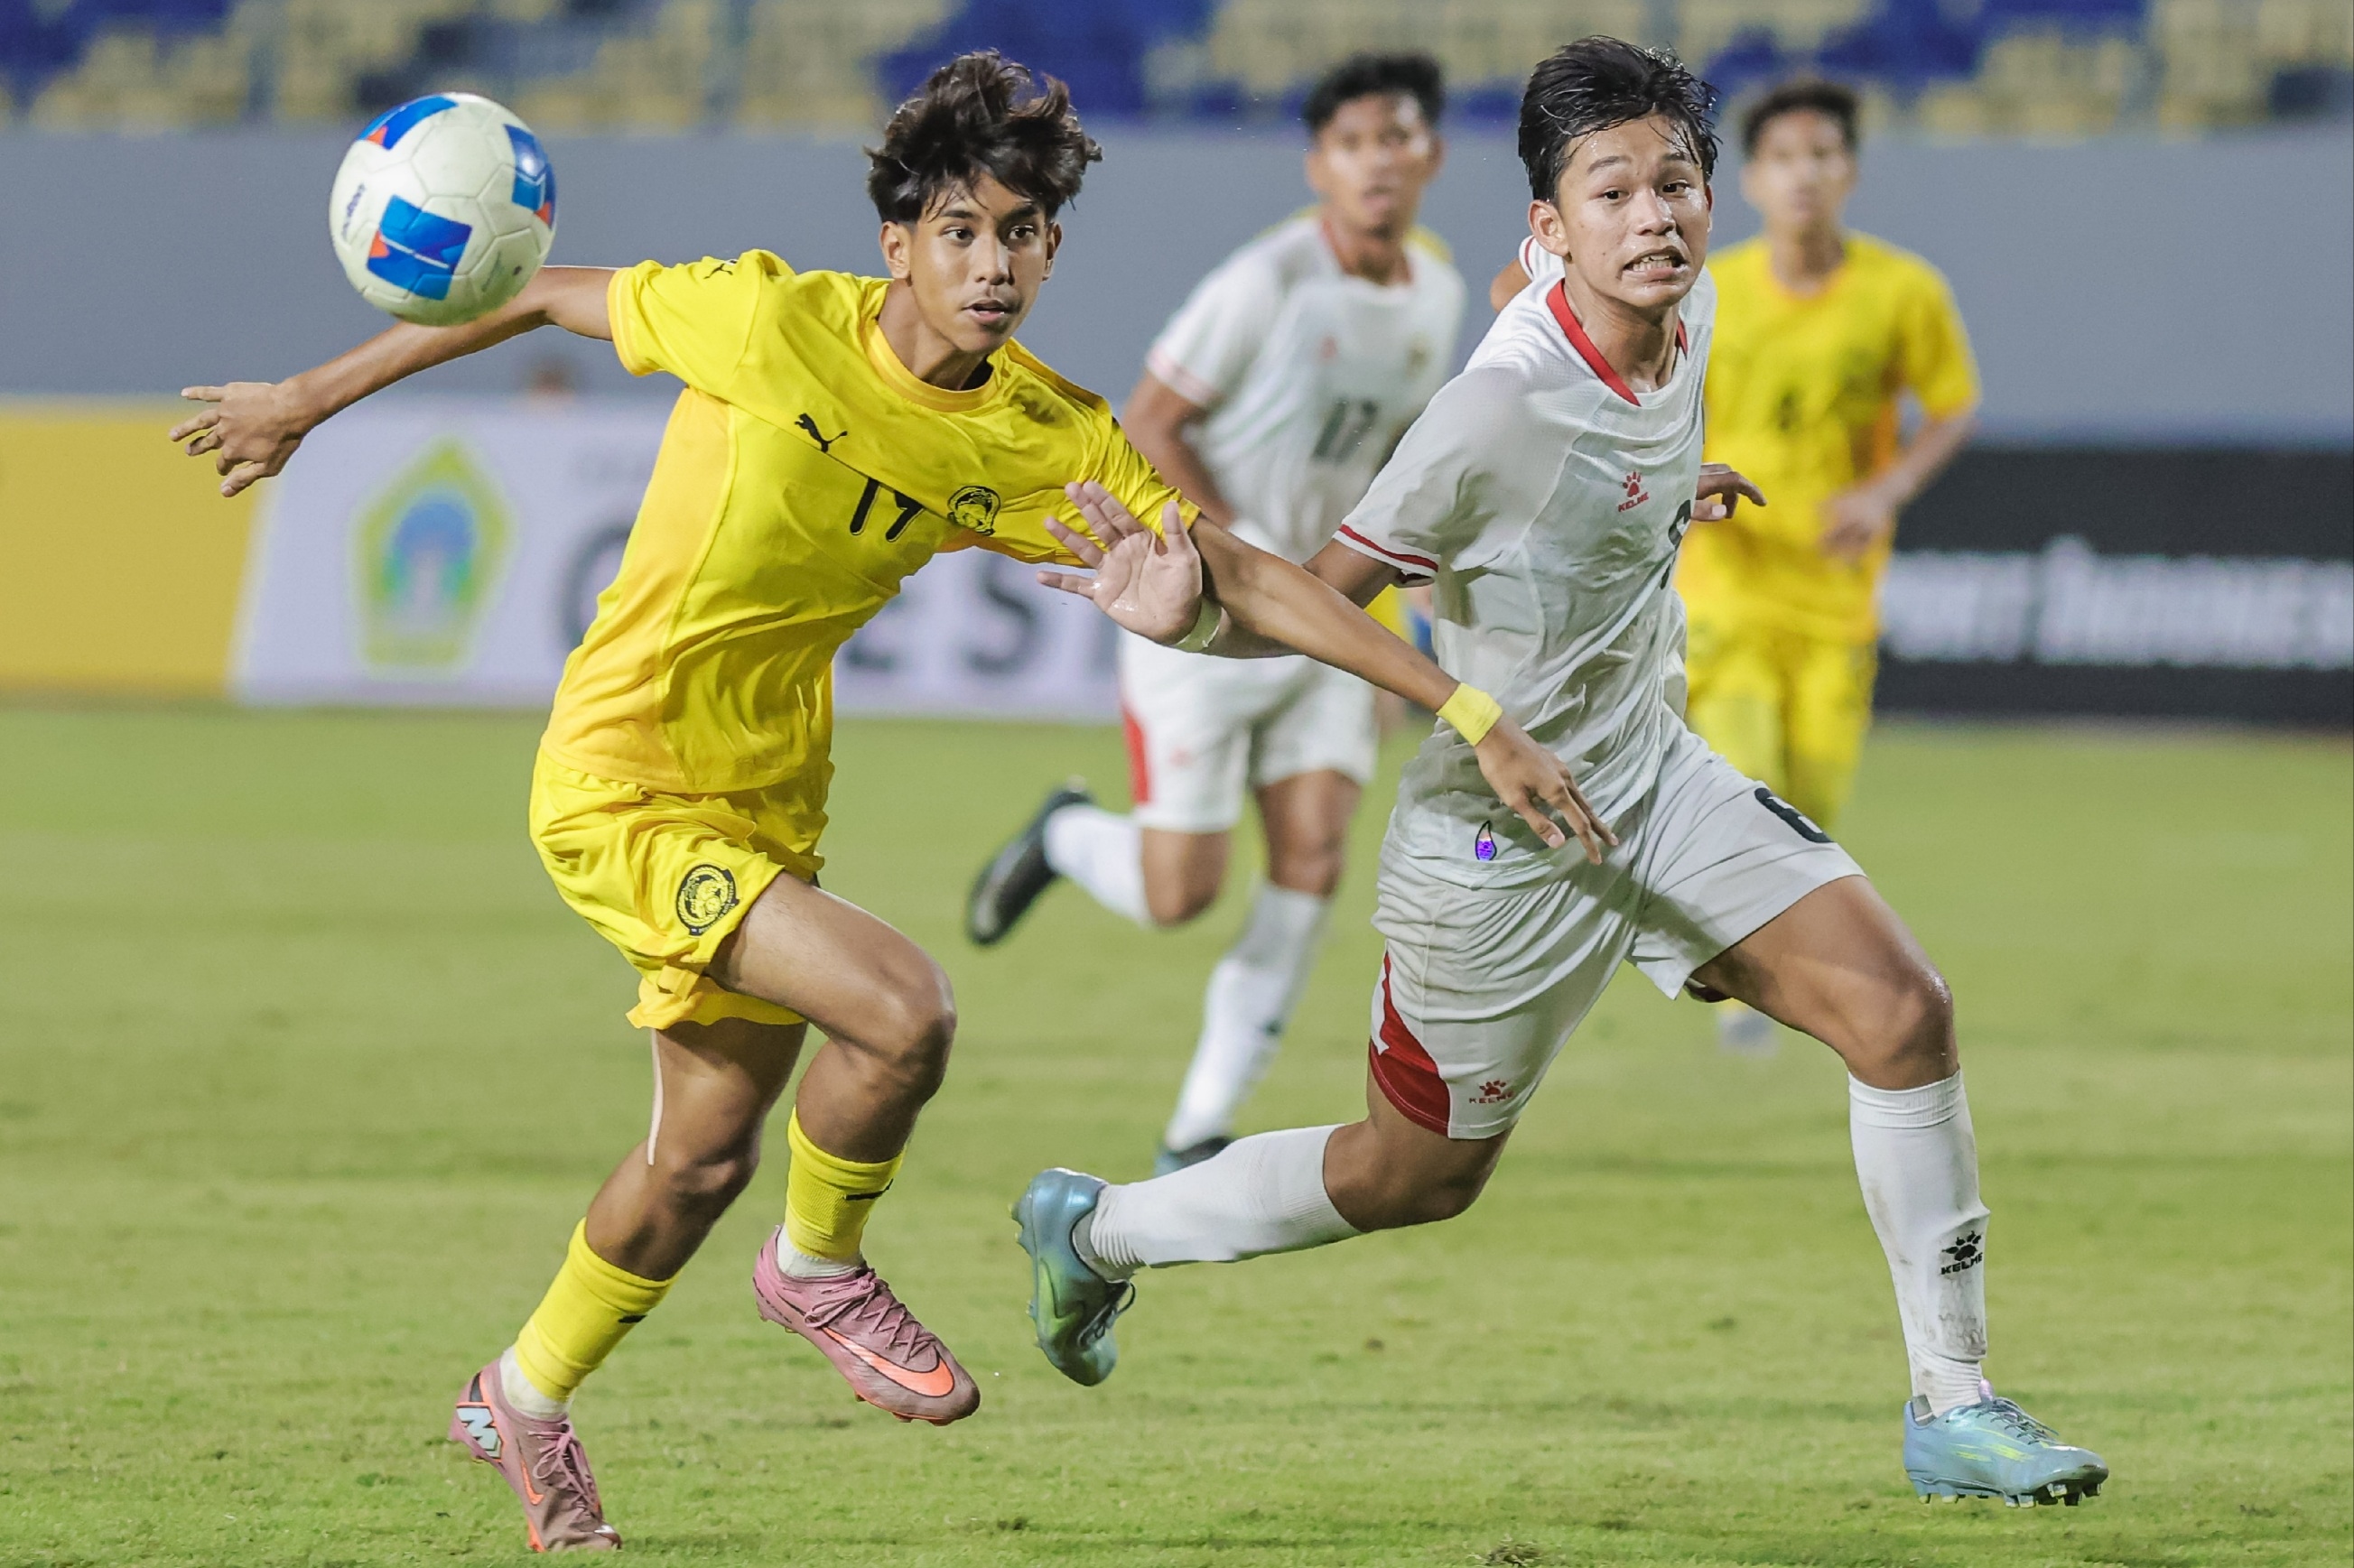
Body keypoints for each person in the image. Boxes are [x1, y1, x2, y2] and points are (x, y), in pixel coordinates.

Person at [172, 51, 1592, 1553]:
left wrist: (1436, 696)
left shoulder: (1037, 436)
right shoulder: (762, 317)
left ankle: (518, 1397)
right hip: (618, 779)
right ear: (898, 239)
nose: (994, 265)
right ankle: (819, 1264)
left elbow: (1241, 577)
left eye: (1024, 234)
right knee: (903, 1010)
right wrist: (305, 401)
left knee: (698, 1155)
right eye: (963, 231)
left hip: (769, 795)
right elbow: (530, 293)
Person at [1010, 39, 2107, 1510]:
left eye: (1675, 183)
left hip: (1650, 781)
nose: (1655, 216)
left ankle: (1954, 1405)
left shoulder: (1688, 309)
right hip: (1495, 850)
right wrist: (1208, 609)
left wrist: (1655, 495)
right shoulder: (1493, 411)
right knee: (1416, 1177)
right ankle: (1098, 1232)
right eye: (1612, 191)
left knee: (1903, 1016)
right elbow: (1316, 593)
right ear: (1549, 227)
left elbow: (1612, 450)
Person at [964, 51, 1467, 1176]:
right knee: (1177, 893)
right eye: (1352, 143)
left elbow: (1394, 453)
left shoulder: (1435, 292)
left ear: (1429, 154)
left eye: (1397, 137)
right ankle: (1063, 834)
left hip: (1328, 621)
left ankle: (1199, 1128)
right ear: (1319, 164)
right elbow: (1151, 418)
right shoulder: (1267, 282)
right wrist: (1248, 550)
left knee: (1314, 854)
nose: (1377, 161)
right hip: (1211, 619)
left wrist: (1408, 573)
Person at [1490, 77, 1980, 1055]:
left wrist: (1884, 492)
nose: (1804, 176)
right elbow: (1556, 312)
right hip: (1723, 582)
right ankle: (1728, 967)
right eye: (1785, 158)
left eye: (1823, 156)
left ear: (1849, 170)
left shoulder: (1902, 291)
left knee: (1810, 797)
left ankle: (1725, 946)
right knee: (1746, 762)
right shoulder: (1703, 281)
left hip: (1837, 596)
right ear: (1746, 179)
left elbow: (1953, 405)